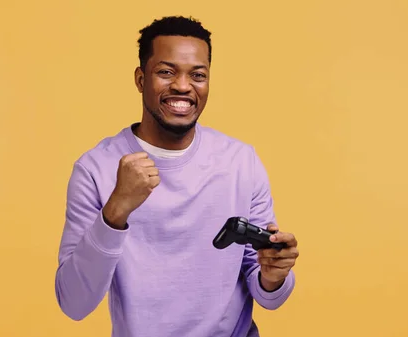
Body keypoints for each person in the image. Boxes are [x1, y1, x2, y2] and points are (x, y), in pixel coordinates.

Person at [54, 15, 299, 337]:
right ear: (141, 79)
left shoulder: (241, 161)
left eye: (197, 75)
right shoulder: (96, 169)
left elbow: (267, 290)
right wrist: (116, 210)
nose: (183, 86)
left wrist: (275, 274)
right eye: (166, 72)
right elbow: (74, 303)